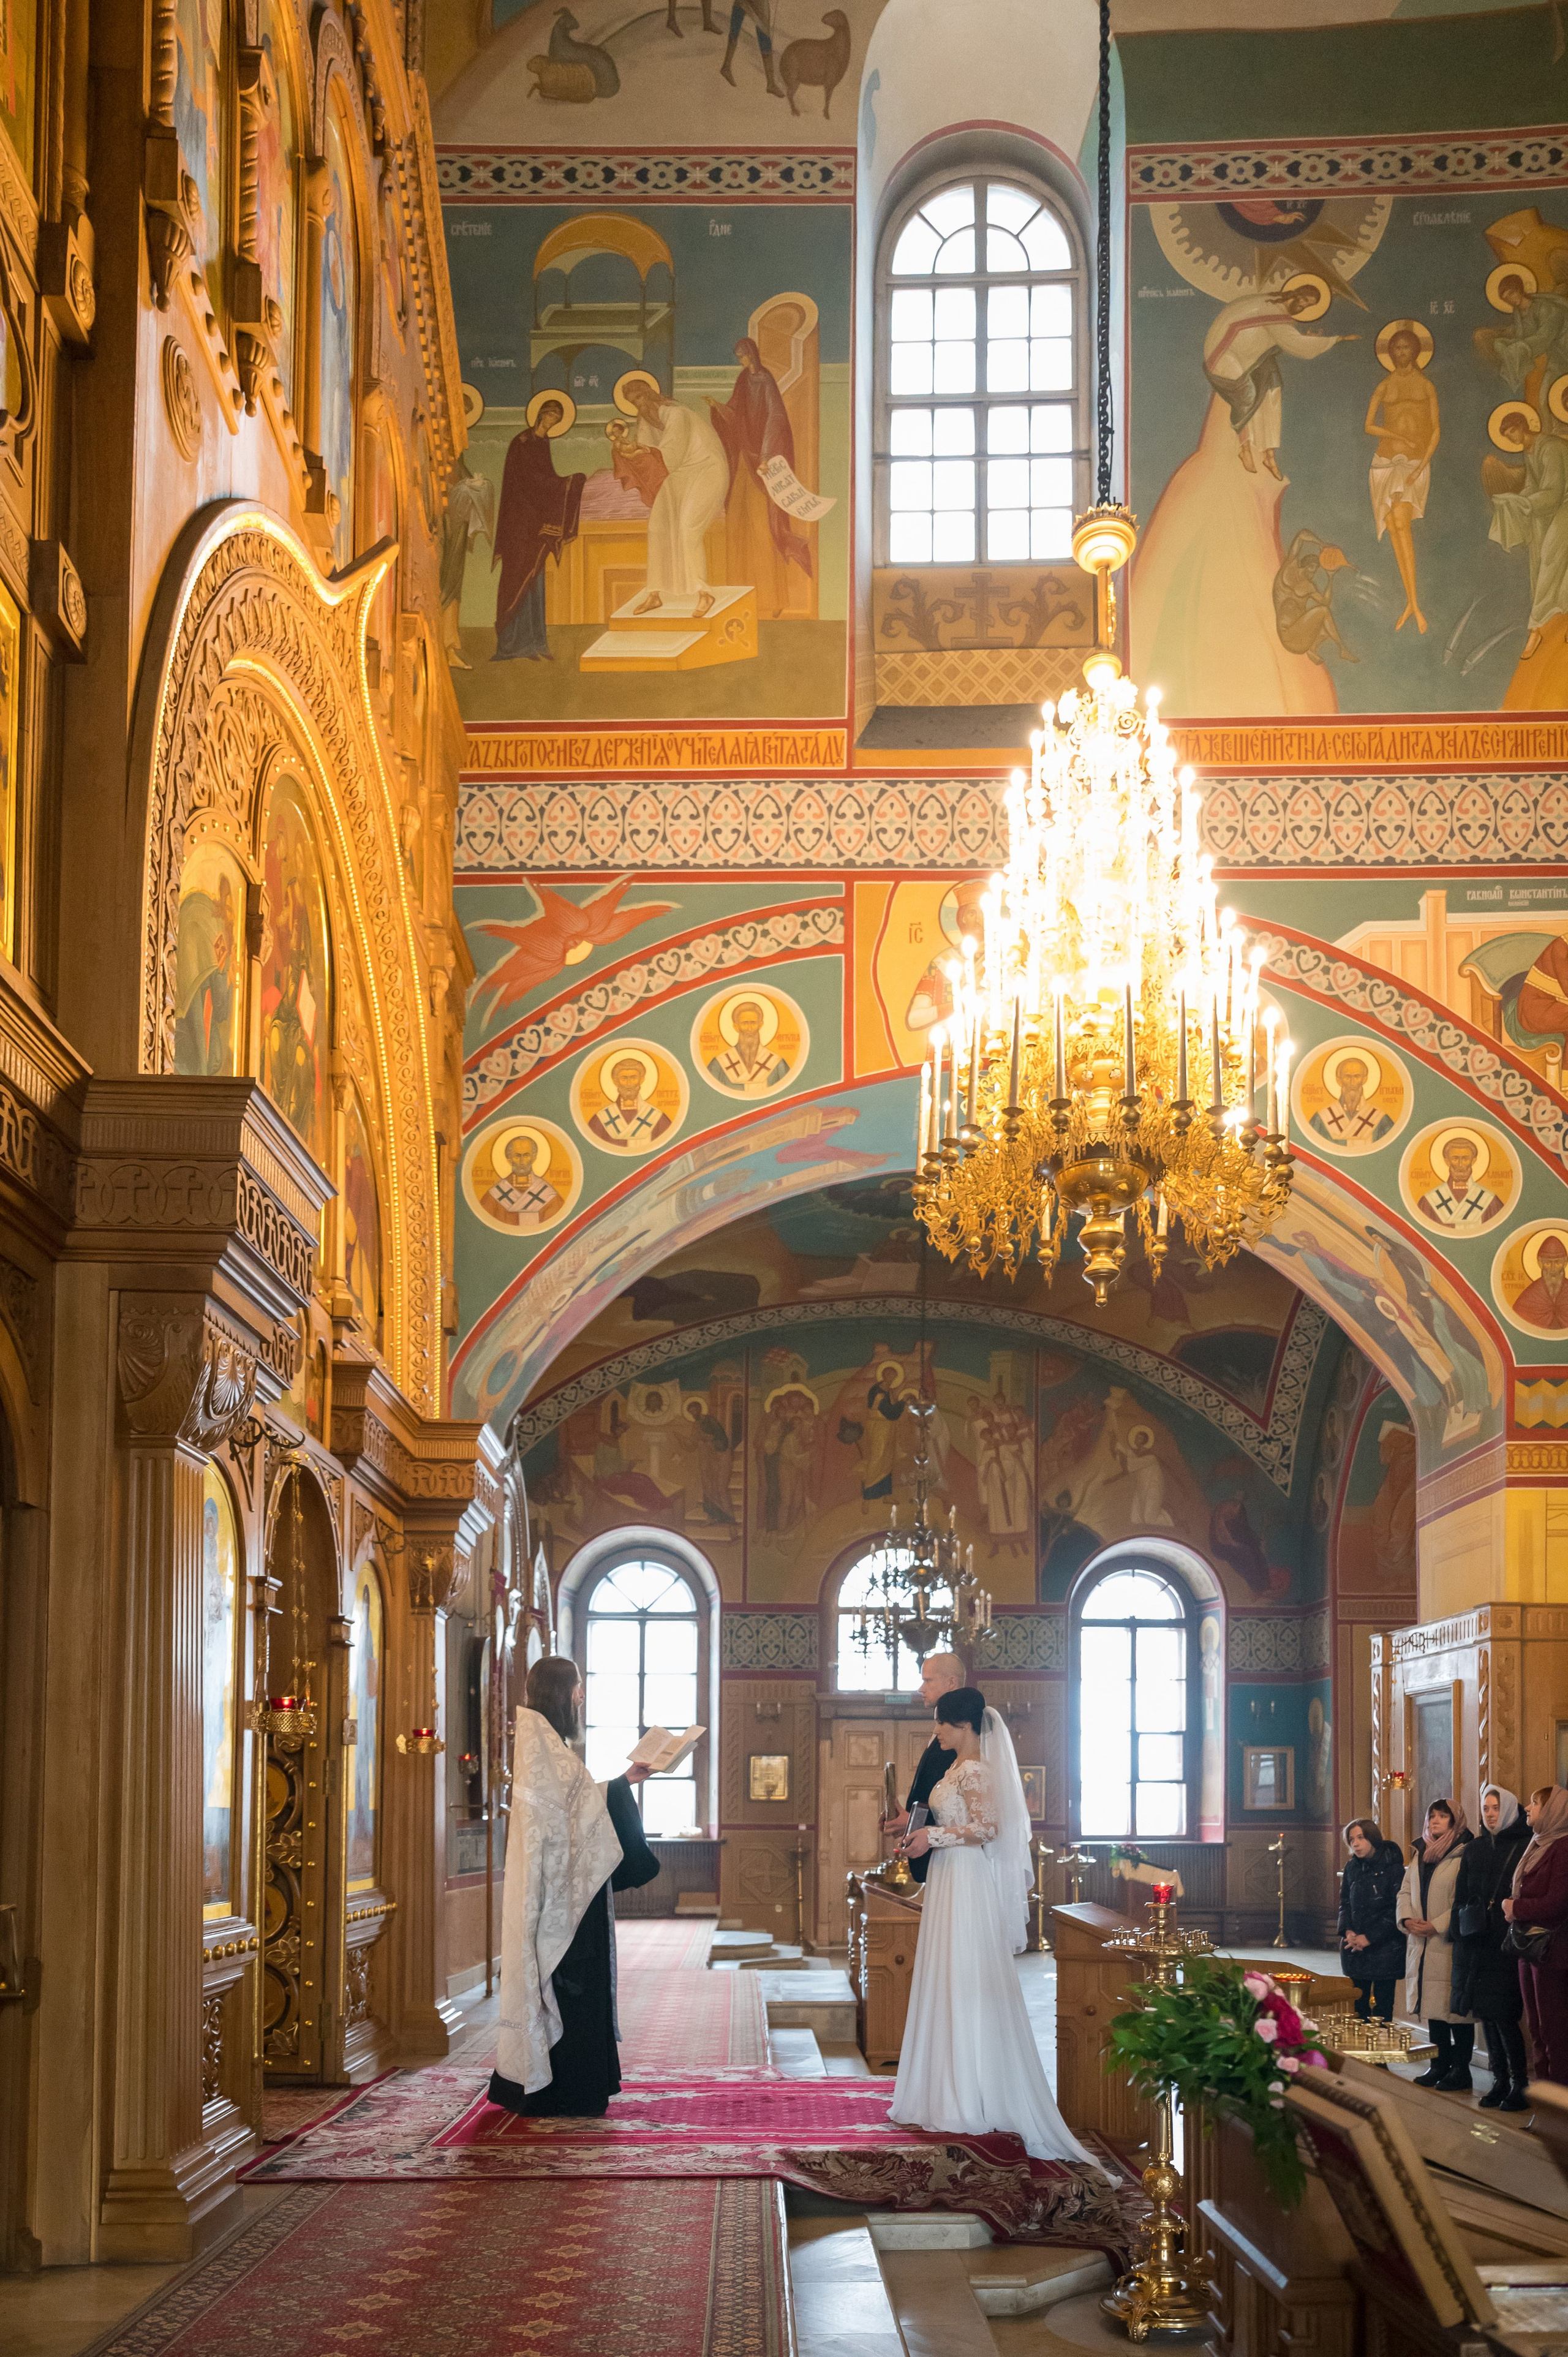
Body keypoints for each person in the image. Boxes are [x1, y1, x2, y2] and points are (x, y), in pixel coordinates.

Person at [889, 1687, 1107, 2168]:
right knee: (946, 1977)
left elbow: (990, 1829)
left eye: (942, 1724)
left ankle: (974, 2093)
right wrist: (918, 1836)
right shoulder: (952, 1769)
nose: (936, 1730)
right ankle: (943, 2088)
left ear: (964, 1726)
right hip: (949, 1875)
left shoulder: (977, 1770)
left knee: (966, 1976)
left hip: (966, 1879)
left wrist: (933, 1836)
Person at [489, 1656, 660, 2119]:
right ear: (562, 1692)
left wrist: (624, 1783)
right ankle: (569, 2090)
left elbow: (575, 1806)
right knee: (573, 1991)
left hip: (571, 1894)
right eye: (578, 1687)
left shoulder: (546, 1747)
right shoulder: (543, 1750)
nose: (582, 1697)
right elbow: (571, 1814)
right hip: (565, 1903)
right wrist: (620, 1791)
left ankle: (576, 2085)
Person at [609, 376, 729, 618]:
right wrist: (626, 450)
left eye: (641, 397)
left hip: (707, 469)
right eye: (634, 402)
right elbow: (647, 456)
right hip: (680, 475)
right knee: (658, 526)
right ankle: (654, 595)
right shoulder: (646, 420)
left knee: (688, 528)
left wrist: (641, 451)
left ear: (651, 394)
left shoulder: (676, 414)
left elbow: (670, 455)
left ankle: (704, 593)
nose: (640, 405)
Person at [1452, 1784, 1532, 2111]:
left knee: (1504, 2015)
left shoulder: (1525, 1845)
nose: (1490, 1814)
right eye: (1485, 1808)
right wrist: (1461, 1931)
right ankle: (1499, 2079)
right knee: (1485, 2014)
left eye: (1496, 1808)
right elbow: (1461, 1895)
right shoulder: (1475, 1848)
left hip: (1506, 1944)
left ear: (1510, 1809)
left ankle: (1521, 2084)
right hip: (1477, 1942)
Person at [491, 396, 586, 663]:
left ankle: (535, 643)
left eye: (558, 418)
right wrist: (567, 483)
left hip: (536, 529)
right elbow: (529, 484)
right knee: (517, 579)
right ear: (541, 414)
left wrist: (568, 483)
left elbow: (546, 482)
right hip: (519, 527)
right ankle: (511, 645)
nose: (553, 420)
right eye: (551, 414)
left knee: (535, 583)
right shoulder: (521, 443)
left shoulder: (543, 444)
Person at [1363, 326, 1439, 635]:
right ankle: (1411, 602)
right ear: (1390, 354)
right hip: (1384, 462)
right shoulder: (1384, 386)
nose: (1401, 354)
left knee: (1402, 523)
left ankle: (1414, 603)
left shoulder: (1426, 386)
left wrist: (1422, 465)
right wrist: (1397, 436)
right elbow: (1369, 426)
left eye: (1407, 348)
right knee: (1394, 525)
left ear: (1416, 351)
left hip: (1413, 464)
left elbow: (1435, 430)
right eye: (1396, 349)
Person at [1398, 1798, 1476, 2091]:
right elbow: (1405, 1891)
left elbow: (1464, 1899)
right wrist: (1407, 1920)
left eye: (1443, 1817)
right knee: (1433, 2009)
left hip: (1449, 1942)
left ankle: (1461, 2070)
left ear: (1455, 1822)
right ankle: (1438, 2065)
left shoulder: (1465, 1853)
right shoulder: (1421, 1852)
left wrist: (1438, 1925)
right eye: (1432, 1816)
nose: (1435, 1821)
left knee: (1456, 2011)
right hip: (1422, 1941)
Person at [881, 1650, 966, 1885]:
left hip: (953, 1860)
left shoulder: (964, 1737)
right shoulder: (944, 1731)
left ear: (951, 1683)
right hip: (936, 1856)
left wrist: (915, 1822)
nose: (921, 1688)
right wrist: (904, 1818)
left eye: (928, 1680)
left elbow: (964, 1807)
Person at [1504, 1784, 1568, 2086]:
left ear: (1553, 1811)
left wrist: (1515, 1907)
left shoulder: (1564, 1847)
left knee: (1554, 2030)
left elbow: (1557, 1903)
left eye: (1535, 1803)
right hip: (1529, 1946)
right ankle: (1544, 2102)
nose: (1527, 1808)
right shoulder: (1539, 1842)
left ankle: (1558, 2107)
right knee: (1536, 2027)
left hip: (1553, 1952)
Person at [1336, 1818, 1406, 2025]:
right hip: (1355, 1949)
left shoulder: (1393, 1868)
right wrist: (1348, 1932)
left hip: (1386, 1949)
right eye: (1351, 1840)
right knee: (1358, 2011)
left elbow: (1395, 1910)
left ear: (1372, 1838)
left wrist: (1369, 1938)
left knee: (1383, 2012)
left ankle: (1380, 2058)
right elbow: (1345, 1903)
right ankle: (1361, 2058)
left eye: (1361, 1838)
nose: (1356, 1844)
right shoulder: (1352, 1868)